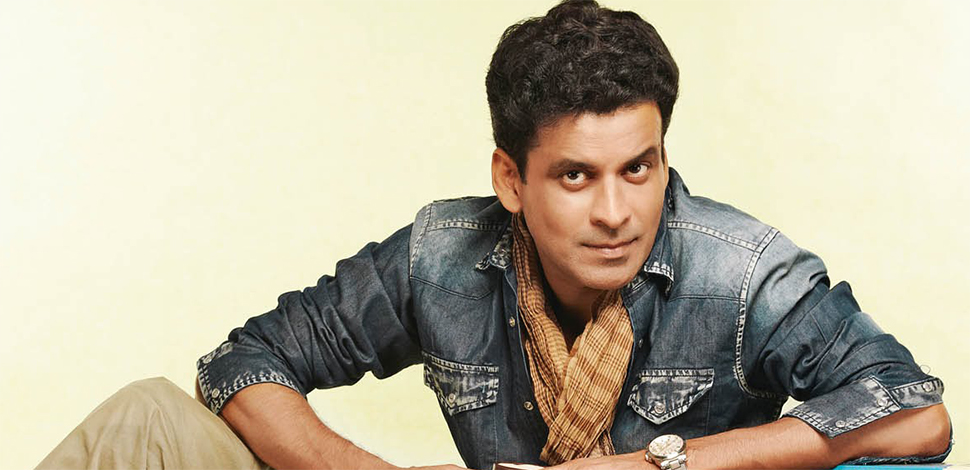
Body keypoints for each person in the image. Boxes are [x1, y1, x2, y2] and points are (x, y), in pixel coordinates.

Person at [37, 1, 952, 469]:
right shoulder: (443, 256)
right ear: (511, 179)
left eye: (639, 168)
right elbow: (244, 365)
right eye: (575, 176)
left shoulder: (742, 270)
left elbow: (916, 415)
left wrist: (664, 467)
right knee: (149, 416)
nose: (616, 212)